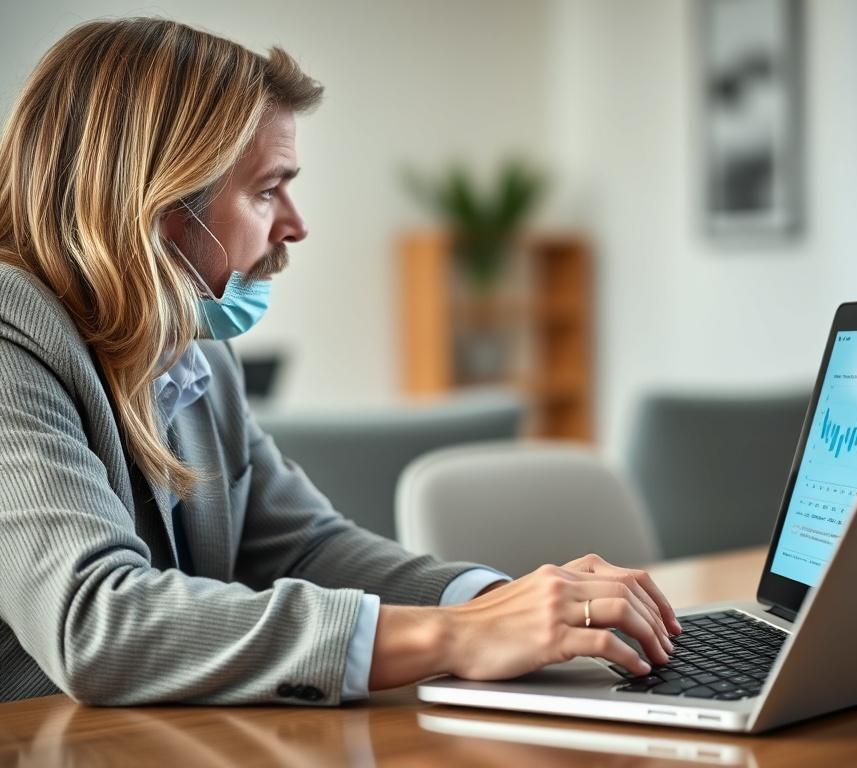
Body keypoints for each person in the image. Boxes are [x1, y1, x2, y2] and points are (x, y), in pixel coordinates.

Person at [0, 18, 680, 706]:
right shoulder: (10, 334)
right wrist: (455, 636)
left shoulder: (196, 352)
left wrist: (501, 607)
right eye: (267, 190)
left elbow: (305, 548)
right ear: (162, 204)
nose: (295, 225)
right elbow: (99, 621)